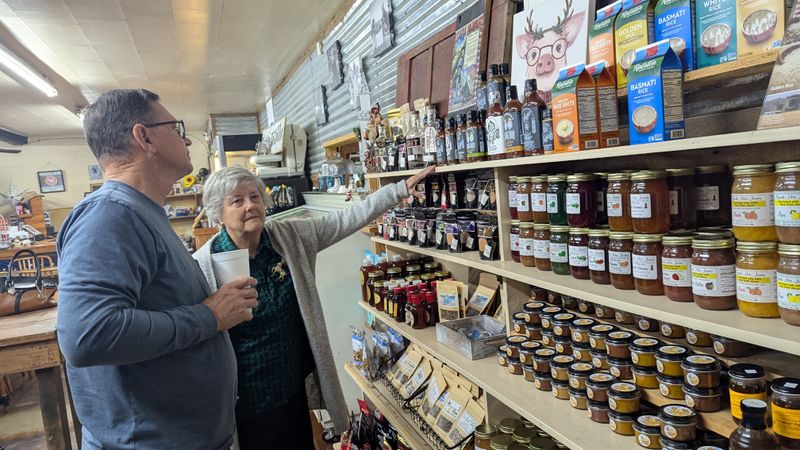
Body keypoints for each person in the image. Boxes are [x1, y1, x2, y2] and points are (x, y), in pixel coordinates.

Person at [56, 89, 258, 450]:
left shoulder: (141, 211)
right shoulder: (110, 215)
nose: (185, 138)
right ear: (144, 137)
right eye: (175, 127)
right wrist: (208, 317)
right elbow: (87, 335)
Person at [193, 165, 434, 449]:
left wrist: (397, 191)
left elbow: (347, 219)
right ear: (218, 213)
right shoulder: (202, 266)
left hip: (291, 389)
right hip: (244, 402)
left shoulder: (288, 238)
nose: (250, 206)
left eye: (255, 197)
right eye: (237, 200)